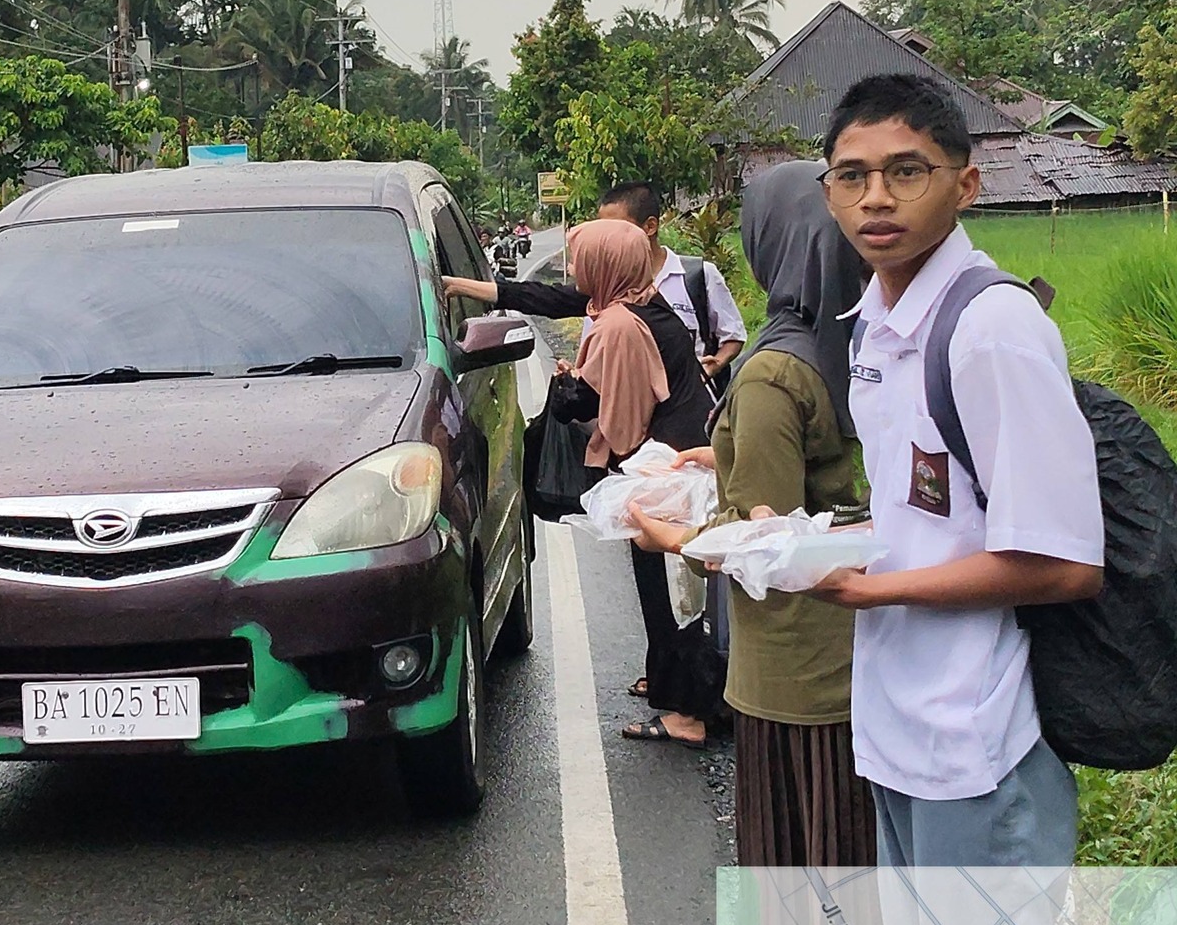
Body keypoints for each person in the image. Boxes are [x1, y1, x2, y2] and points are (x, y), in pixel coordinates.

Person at [805, 71, 1103, 869]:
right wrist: (805, 542)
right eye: (852, 176)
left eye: (907, 172)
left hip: (981, 742)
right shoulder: (875, 326)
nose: (876, 199)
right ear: (828, 190)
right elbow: (923, 517)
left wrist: (870, 589)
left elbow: (1065, 562)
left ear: (965, 184)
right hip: (899, 725)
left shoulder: (991, 329)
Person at [627, 160, 877, 865]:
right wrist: (721, 457)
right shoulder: (846, 338)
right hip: (845, 649)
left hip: (793, 667)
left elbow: (763, 540)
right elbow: (817, 471)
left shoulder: (772, 371)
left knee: (804, 858)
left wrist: (665, 533)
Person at [445, 218, 721, 744]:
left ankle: (688, 715)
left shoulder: (618, 325)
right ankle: (676, 687)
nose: (575, 270)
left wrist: (572, 391)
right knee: (682, 591)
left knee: (667, 594)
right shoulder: (646, 306)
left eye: (583, 260)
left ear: (605, 266)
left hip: (665, 472)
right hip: (688, 463)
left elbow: (621, 418)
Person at [596, 182, 746, 388]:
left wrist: (713, 367)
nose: (606, 239)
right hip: (633, 412)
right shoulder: (605, 286)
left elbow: (733, 336)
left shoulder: (698, 276)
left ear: (650, 226)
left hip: (692, 411)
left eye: (618, 229)